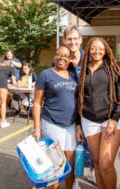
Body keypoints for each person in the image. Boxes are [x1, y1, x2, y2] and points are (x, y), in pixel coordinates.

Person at [76, 37, 120, 189]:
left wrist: (114, 119)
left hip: (112, 119)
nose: (96, 51)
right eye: (93, 48)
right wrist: (78, 124)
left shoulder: (114, 68)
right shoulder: (84, 70)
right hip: (89, 119)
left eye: (100, 48)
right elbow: (79, 98)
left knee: (106, 164)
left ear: (106, 50)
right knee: (97, 162)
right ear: (88, 50)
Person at [33, 45, 78, 189]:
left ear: (70, 59)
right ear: (54, 56)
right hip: (52, 122)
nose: (62, 58)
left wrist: (78, 125)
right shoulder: (45, 74)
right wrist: (37, 129)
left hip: (70, 124)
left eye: (65, 56)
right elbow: (37, 103)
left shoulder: (74, 76)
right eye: (59, 55)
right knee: (55, 165)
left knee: (70, 163)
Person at [63, 24, 96, 185]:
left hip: (91, 108)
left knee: (93, 145)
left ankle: (92, 172)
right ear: (64, 40)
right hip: (70, 110)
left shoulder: (90, 58)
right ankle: (74, 178)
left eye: (75, 38)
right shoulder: (62, 61)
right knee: (73, 147)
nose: (73, 42)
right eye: (69, 39)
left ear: (81, 40)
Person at [0, 61, 17, 128]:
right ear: (11, 64)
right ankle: (3, 122)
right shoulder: (11, 68)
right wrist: (16, 85)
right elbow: (13, 80)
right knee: (3, 103)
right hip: (2, 80)